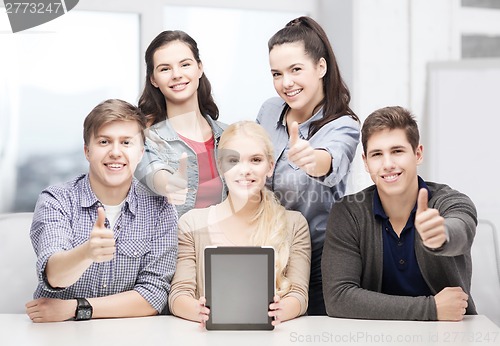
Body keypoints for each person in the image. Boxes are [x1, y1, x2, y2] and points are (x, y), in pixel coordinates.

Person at [25, 99, 178, 323]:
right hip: (59, 334)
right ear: (87, 151)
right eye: (104, 142)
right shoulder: (56, 200)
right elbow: (53, 276)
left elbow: (153, 295)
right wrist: (86, 253)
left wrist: (77, 307)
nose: (115, 152)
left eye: (126, 142)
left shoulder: (161, 208)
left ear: (141, 152)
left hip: (131, 335)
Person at [322, 106, 477, 321]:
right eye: (377, 154)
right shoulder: (348, 213)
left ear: (417, 154)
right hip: (373, 337)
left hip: (448, 335)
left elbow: (462, 229)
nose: (388, 164)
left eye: (397, 151)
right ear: (366, 162)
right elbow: (338, 298)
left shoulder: (450, 201)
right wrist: (430, 308)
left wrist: (441, 234)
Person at [256, 16, 360, 315]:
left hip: (318, 266)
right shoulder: (269, 110)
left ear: (321, 67)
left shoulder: (343, 125)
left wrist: (312, 159)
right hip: (268, 258)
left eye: (296, 70)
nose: (285, 83)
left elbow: (329, 162)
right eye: (277, 73)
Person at [168, 121, 311, 326]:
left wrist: (281, 310)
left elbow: (299, 295)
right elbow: (179, 294)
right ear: (220, 166)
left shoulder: (295, 224)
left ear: (270, 167)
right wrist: (199, 311)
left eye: (255, 160)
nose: (244, 170)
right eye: (233, 160)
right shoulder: (191, 224)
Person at [135, 30, 226, 218]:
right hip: (173, 246)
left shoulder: (229, 135)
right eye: (165, 69)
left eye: (185, 65)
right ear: (153, 79)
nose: (176, 75)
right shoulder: (146, 139)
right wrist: (168, 184)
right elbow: (152, 170)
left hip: (225, 245)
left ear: (199, 68)